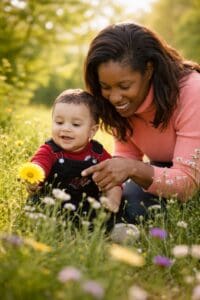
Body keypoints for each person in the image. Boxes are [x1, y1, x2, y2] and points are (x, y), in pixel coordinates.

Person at [81, 22, 200, 224]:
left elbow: (188, 184)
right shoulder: (121, 106)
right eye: (105, 87)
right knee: (130, 208)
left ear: (149, 69)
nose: (115, 97)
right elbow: (126, 156)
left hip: (192, 174)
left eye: (124, 86)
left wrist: (133, 169)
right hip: (166, 168)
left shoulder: (192, 91)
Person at [26, 88, 122, 220]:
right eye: (59, 122)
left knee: (106, 221)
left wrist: (113, 200)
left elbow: (113, 179)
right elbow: (39, 164)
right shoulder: (50, 150)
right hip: (50, 207)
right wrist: (34, 177)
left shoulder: (98, 154)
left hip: (85, 210)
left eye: (76, 124)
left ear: (92, 131)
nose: (65, 128)